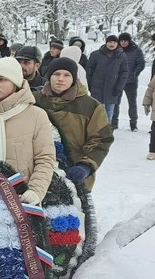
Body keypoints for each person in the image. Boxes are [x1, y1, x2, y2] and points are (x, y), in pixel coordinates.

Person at [0, 57, 57, 206]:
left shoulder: (36, 115)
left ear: (15, 83)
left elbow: (45, 158)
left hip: (21, 197)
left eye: (2, 79)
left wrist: (35, 191)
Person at [34, 58, 113, 191]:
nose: (61, 79)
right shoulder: (33, 100)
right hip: (38, 174)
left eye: (66, 75)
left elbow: (100, 140)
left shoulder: (91, 106)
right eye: (56, 74)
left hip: (75, 174)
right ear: (49, 76)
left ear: (74, 78)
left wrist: (85, 166)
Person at [87, 35, 129, 124]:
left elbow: (124, 73)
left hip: (112, 88)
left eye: (114, 42)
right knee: (95, 111)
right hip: (97, 87)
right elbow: (89, 70)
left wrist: (119, 88)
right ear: (106, 43)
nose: (112, 44)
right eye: (110, 42)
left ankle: (106, 132)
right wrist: (89, 84)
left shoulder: (121, 56)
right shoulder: (96, 54)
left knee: (109, 112)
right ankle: (93, 132)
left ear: (117, 44)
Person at [115, 33, 145, 131]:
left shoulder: (136, 51)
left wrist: (135, 73)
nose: (123, 43)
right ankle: (114, 122)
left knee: (132, 103)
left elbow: (141, 63)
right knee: (115, 102)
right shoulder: (116, 50)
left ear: (129, 41)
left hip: (131, 81)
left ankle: (133, 123)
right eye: (122, 41)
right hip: (117, 80)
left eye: (125, 41)